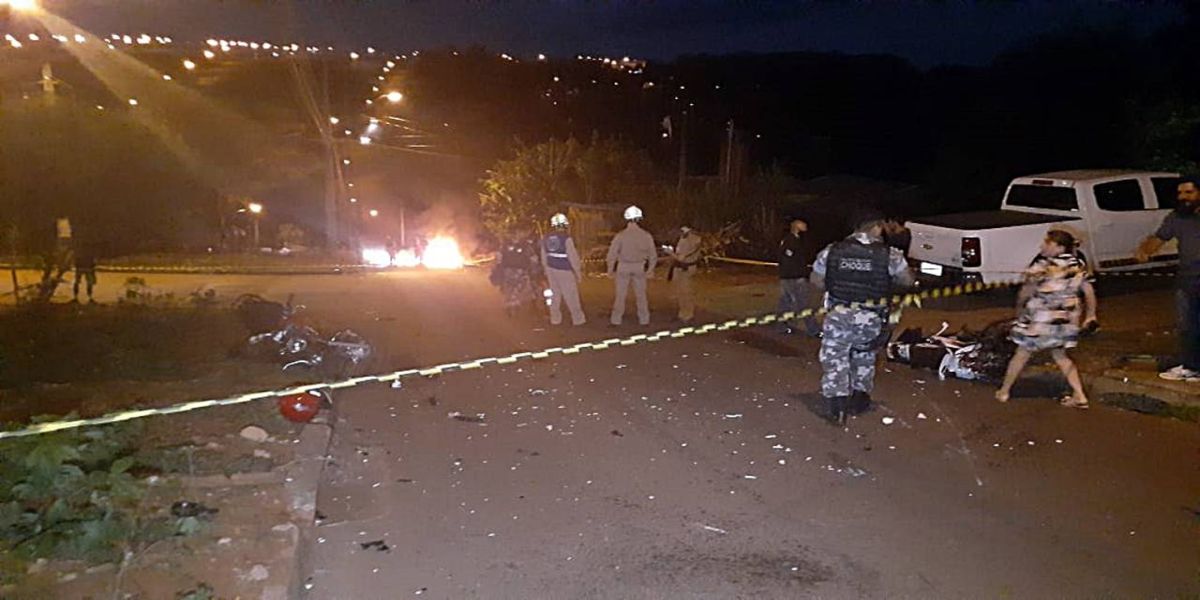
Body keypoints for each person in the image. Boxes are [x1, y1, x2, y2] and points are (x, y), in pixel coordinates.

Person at [810, 211, 914, 424]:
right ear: (876, 227)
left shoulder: (832, 251)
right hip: (872, 317)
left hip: (838, 315)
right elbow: (907, 281)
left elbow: (816, 281)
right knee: (865, 355)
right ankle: (860, 398)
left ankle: (837, 406)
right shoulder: (890, 254)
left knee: (835, 357)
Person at [995, 230, 1098, 408]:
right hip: (1065, 322)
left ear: (1058, 247)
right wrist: (1090, 314)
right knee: (1061, 356)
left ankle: (1004, 391)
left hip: (1041, 321)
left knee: (1021, 354)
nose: (1042, 246)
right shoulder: (1077, 265)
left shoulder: (1042, 266)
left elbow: (1025, 291)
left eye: (1047, 243)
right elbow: (1089, 292)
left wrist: (1019, 308)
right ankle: (1079, 396)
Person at [1135, 176, 1200, 382]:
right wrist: (1145, 249)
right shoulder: (1176, 217)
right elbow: (1159, 237)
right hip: (1187, 280)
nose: (1183, 197)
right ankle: (1191, 367)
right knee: (1186, 326)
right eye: (1180, 193)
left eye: (1189, 193)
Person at [607, 205, 657, 326]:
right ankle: (644, 319)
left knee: (620, 296)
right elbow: (653, 255)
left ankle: (616, 320)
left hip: (623, 267)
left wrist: (610, 270)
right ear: (639, 219)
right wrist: (650, 270)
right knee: (641, 295)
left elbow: (612, 254)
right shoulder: (646, 235)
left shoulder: (621, 235)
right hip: (639, 267)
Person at [540, 213, 587, 326]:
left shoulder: (545, 238)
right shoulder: (566, 238)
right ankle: (578, 319)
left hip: (551, 269)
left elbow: (543, 255)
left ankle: (555, 319)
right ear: (565, 224)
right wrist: (578, 273)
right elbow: (573, 257)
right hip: (565, 270)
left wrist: (546, 270)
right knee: (571, 295)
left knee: (555, 296)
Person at [777, 218, 821, 336]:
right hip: (794, 277)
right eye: (802, 224)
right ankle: (813, 329)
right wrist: (799, 273)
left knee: (787, 303)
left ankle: (783, 326)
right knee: (803, 303)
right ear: (796, 226)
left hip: (789, 276)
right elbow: (789, 259)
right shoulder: (790, 241)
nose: (805, 226)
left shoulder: (794, 240)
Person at [492, 233, 540, 317]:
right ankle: (517, 304)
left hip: (508, 271)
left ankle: (510, 305)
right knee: (522, 288)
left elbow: (498, 258)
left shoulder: (505, 246)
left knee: (509, 288)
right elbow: (534, 259)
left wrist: (498, 267)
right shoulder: (525, 245)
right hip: (521, 271)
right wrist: (535, 269)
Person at [668, 225, 703, 322]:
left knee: (686, 292)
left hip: (686, 268)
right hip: (679, 268)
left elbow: (681, 257)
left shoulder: (693, 240)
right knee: (680, 292)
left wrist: (670, 252)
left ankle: (688, 314)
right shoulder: (683, 238)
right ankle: (682, 313)